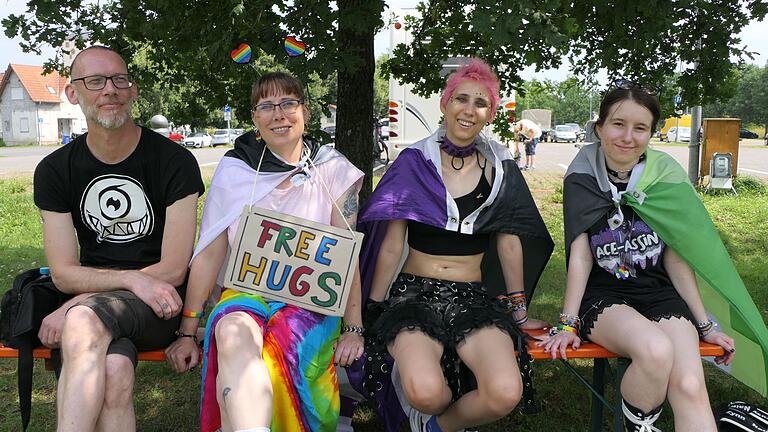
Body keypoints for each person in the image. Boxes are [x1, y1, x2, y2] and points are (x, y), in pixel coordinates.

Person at [356, 59, 554, 432]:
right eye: (461, 99)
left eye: (481, 103)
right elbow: (389, 245)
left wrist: (520, 312)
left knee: (505, 392)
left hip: (471, 299)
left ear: (490, 113)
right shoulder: (414, 162)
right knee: (427, 391)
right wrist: (375, 308)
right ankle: (430, 413)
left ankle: (435, 427)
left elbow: (510, 244)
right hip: (413, 296)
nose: (469, 109)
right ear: (445, 104)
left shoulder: (501, 167)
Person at [164, 71, 365, 432]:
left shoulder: (332, 169)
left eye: (289, 103)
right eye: (267, 106)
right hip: (246, 291)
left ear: (305, 110)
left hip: (310, 301)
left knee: (282, 346)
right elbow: (211, 251)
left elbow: (344, 256)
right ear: (254, 117)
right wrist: (186, 331)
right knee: (231, 333)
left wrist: (354, 328)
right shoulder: (235, 170)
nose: (279, 114)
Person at [539, 79, 739, 431]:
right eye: (618, 124)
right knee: (656, 349)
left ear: (651, 133)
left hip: (659, 294)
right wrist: (568, 322)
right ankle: (640, 425)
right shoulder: (582, 177)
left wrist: (705, 325)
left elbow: (676, 258)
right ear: (599, 128)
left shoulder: (664, 177)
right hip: (604, 296)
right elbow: (581, 254)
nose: (627, 137)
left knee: (691, 386)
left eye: (640, 128)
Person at [33, 45, 204, 431]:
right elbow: (62, 272)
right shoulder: (55, 169)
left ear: (133, 89)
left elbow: (175, 269)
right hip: (92, 306)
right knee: (113, 372)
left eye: (119, 79)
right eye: (95, 81)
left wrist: (82, 302)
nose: (110, 89)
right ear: (73, 93)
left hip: (158, 305)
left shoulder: (174, 161)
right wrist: (129, 278)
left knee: (82, 323)